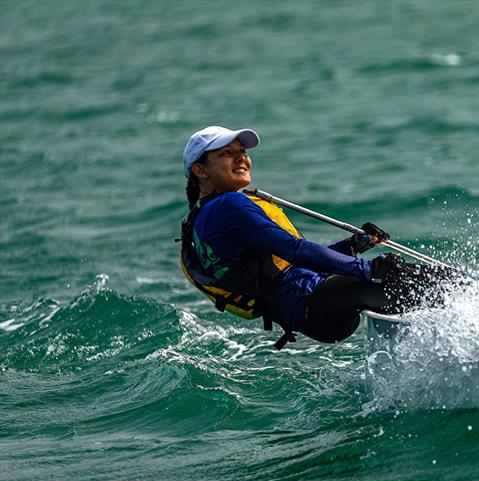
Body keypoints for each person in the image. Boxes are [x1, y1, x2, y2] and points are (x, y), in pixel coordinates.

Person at [180, 125, 454, 348]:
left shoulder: (203, 218)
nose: (241, 157)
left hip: (305, 311)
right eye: (227, 153)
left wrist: (350, 247)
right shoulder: (228, 206)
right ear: (200, 170)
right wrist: (370, 269)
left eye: (242, 151)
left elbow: (280, 268)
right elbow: (295, 250)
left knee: (394, 279)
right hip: (311, 300)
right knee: (402, 274)